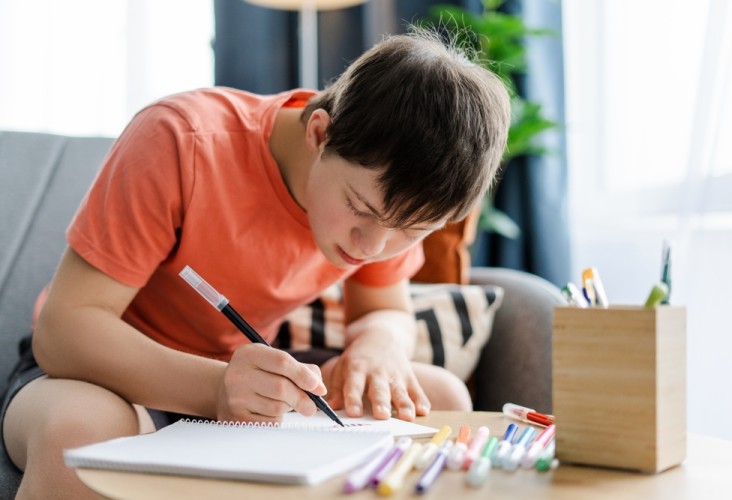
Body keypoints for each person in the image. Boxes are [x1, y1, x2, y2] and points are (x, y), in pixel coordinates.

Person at [1, 27, 511, 497]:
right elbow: (64, 332)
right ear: (319, 134)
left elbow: (384, 309)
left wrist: (379, 345)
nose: (372, 246)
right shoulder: (181, 141)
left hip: (239, 378)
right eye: (360, 209)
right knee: (81, 432)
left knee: (438, 395)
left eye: (411, 231)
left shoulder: (387, 199)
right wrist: (216, 390)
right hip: (101, 374)